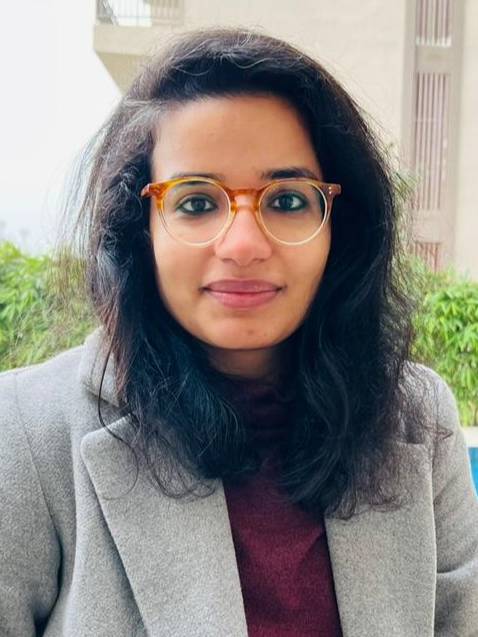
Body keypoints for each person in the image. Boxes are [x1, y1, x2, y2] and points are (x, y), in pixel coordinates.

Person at [0, 27, 477, 637]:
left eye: (288, 201)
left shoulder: (418, 417)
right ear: (141, 227)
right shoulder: (28, 431)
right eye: (197, 203)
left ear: (341, 227)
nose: (244, 245)